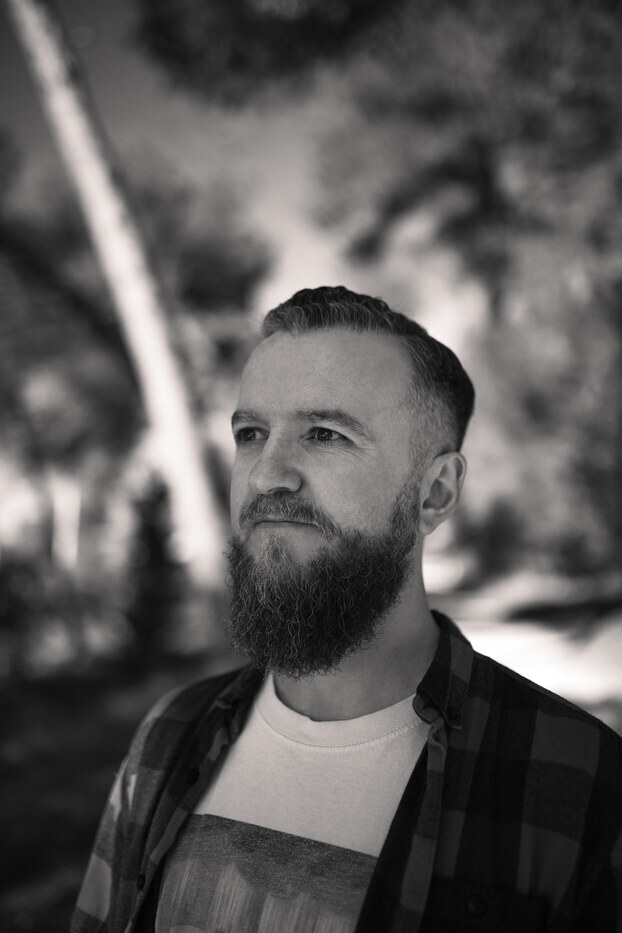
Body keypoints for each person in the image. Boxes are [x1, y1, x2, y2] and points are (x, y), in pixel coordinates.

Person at [72, 286, 622, 933]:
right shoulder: (168, 735)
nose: (266, 475)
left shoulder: (580, 782)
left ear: (435, 492)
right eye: (251, 433)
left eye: (325, 434)